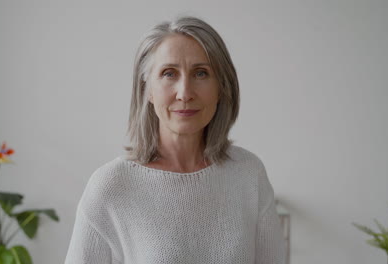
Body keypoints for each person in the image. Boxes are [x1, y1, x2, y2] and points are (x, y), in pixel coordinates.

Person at [65, 16, 286, 264]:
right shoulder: (111, 186)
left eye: (201, 73)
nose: (185, 93)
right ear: (147, 89)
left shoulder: (249, 174)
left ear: (221, 87)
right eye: (169, 73)